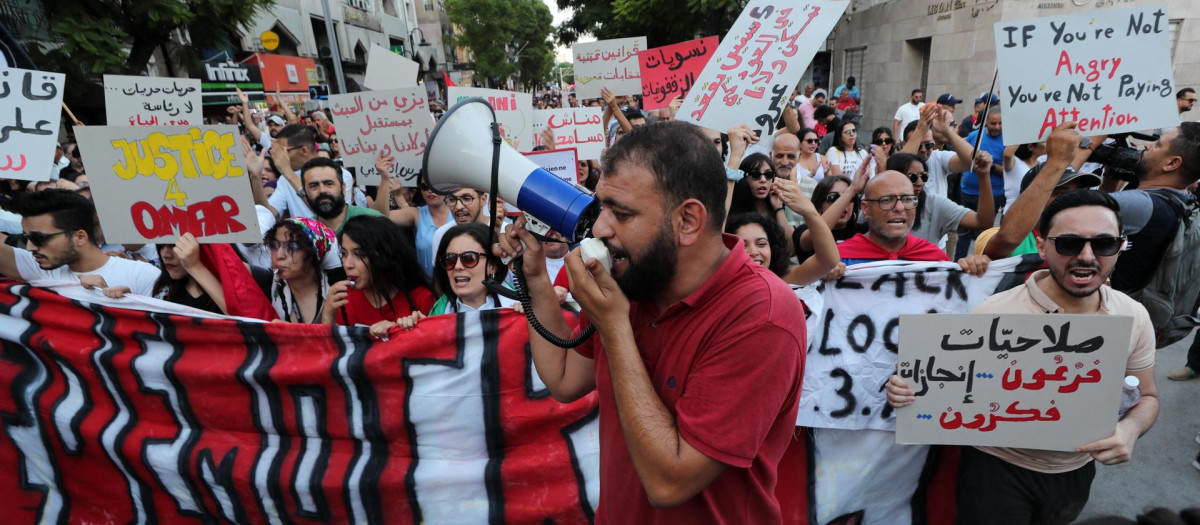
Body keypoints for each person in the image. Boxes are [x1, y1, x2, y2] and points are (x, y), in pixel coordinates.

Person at [496, 121, 804, 522]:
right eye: (601, 206)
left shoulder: (763, 314)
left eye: (621, 214)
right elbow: (564, 378)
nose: (601, 228)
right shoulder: (637, 277)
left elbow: (669, 483)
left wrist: (616, 328)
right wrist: (535, 278)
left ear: (688, 221)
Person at [887, 190, 1159, 525]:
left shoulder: (1134, 316)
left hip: (1074, 473)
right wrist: (905, 390)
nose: (1087, 256)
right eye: (1069, 243)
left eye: (1103, 244)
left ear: (1120, 246)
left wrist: (1131, 428)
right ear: (1042, 245)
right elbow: (940, 388)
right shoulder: (993, 312)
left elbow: (1147, 396)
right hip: (993, 471)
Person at [0, 189, 159, 295]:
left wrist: (127, 306)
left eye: (38, 239)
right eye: (26, 238)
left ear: (80, 237)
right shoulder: (40, 268)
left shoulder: (143, 276)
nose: (30, 247)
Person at [838, 170, 991, 274]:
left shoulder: (935, 259)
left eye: (907, 199)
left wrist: (971, 272)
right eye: (887, 200)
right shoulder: (838, 260)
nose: (899, 208)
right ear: (865, 208)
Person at [323, 216, 435, 338]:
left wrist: (398, 332)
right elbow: (330, 352)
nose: (347, 264)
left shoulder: (421, 299)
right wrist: (328, 314)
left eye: (359, 254)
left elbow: (435, 349)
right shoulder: (343, 298)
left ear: (384, 256)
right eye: (344, 254)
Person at [887, 152, 994, 247]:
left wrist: (984, 176)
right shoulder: (879, 204)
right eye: (913, 177)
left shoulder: (934, 204)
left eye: (924, 176)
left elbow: (983, 222)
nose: (920, 183)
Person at [374, 152, 453, 277]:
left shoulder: (458, 212)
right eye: (425, 186)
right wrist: (384, 178)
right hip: (428, 289)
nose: (430, 191)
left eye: (435, 186)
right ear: (420, 190)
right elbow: (383, 216)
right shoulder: (416, 214)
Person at [262, 124, 354, 221]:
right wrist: (254, 176)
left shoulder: (342, 175)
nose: (279, 157)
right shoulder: (285, 179)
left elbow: (332, 215)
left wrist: (288, 173)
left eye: (283, 152)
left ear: (304, 151)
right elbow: (269, 214)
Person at [265, 217, 338, 323]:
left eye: (292, 246)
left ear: (313, 253)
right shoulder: (268, 282)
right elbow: (233, 266)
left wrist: (291, 331)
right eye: (274, 245)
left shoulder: (338, 292)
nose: (279, 255)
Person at [957, 109, 1008, 258]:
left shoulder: (1007, 142)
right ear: (986, 123)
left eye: (1000, 123)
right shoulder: (974, 136)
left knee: (985, 235)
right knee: (964, 233)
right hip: (968, 193)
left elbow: (1009, 171)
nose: (997, 127)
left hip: (993, 195)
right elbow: (960, 156)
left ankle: (982, 263)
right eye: (993, 123)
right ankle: (957, 262)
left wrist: (990, 166)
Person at [299, 157, 382, 235]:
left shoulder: (374, 221)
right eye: (313, 186)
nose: (322, 190)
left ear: (343, 188)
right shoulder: (303, 232)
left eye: (329, 184)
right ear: (305, 191)